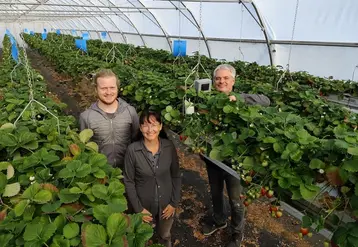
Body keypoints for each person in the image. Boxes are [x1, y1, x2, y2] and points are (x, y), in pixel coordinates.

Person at [202, 64, 270, 247]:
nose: (221, 81)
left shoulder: (240, 99)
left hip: (235, 162)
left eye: (225, 78)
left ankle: (236, 233)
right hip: (213, 158)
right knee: (215, 193)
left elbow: (267, 101)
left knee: (236, 201)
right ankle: (219, 220)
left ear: (233, 81)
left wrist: (239, 99)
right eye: (218, 78)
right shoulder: (207, 100)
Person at [123, 110, 181, 247]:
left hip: (166, 204)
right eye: (145, 125)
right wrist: (138, 209)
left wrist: (173, 202)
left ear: (160, 127)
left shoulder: (169, 147)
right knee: (142, 238)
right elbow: (129, 181)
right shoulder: (133, 150)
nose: (150, 130)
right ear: (140, 127)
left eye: (154, 125)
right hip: (144, 205)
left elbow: (176, 175)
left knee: (165, 235)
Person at [79, 69, 139, 169]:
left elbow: (137, 141)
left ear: (117, 88)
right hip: (101, 172)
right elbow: (84, 148)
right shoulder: (86, 117)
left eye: (112, 87)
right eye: (103, 88)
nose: (108, 92)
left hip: (128, 170)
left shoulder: (130, 112)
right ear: (96, 89)